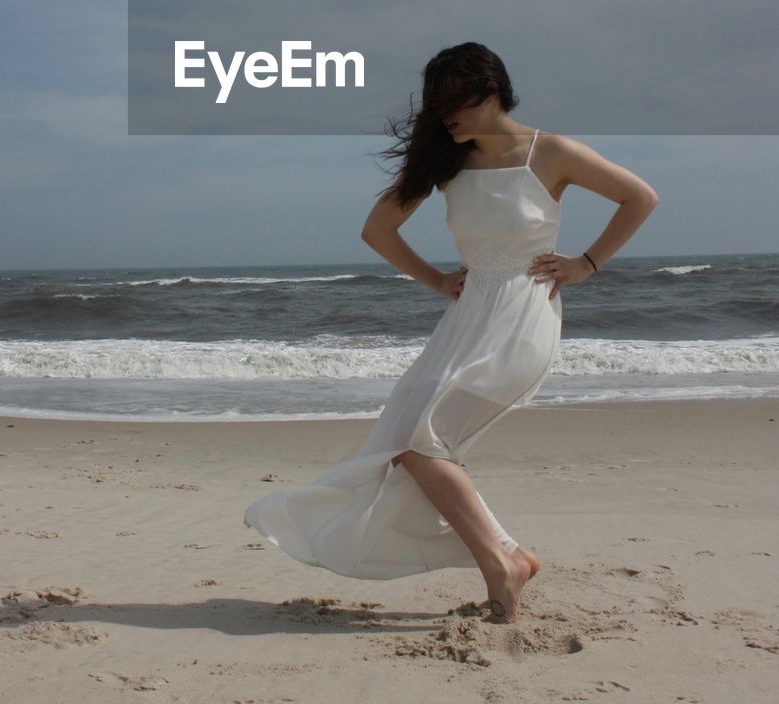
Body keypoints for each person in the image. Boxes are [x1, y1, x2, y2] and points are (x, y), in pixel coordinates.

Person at [243, 41, 659, 624]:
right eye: (435, 106)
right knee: (405, 445)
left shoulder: (552, 152)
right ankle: (509, 556)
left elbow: (639, 197)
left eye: (451, 103)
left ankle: (502, 563)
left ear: (488, 93)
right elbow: (377, 230)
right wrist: (438, 282)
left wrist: (585, 264)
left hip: (524, 310)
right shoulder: (446, 162)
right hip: (466, 316)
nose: (444, 117)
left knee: (420, 442)